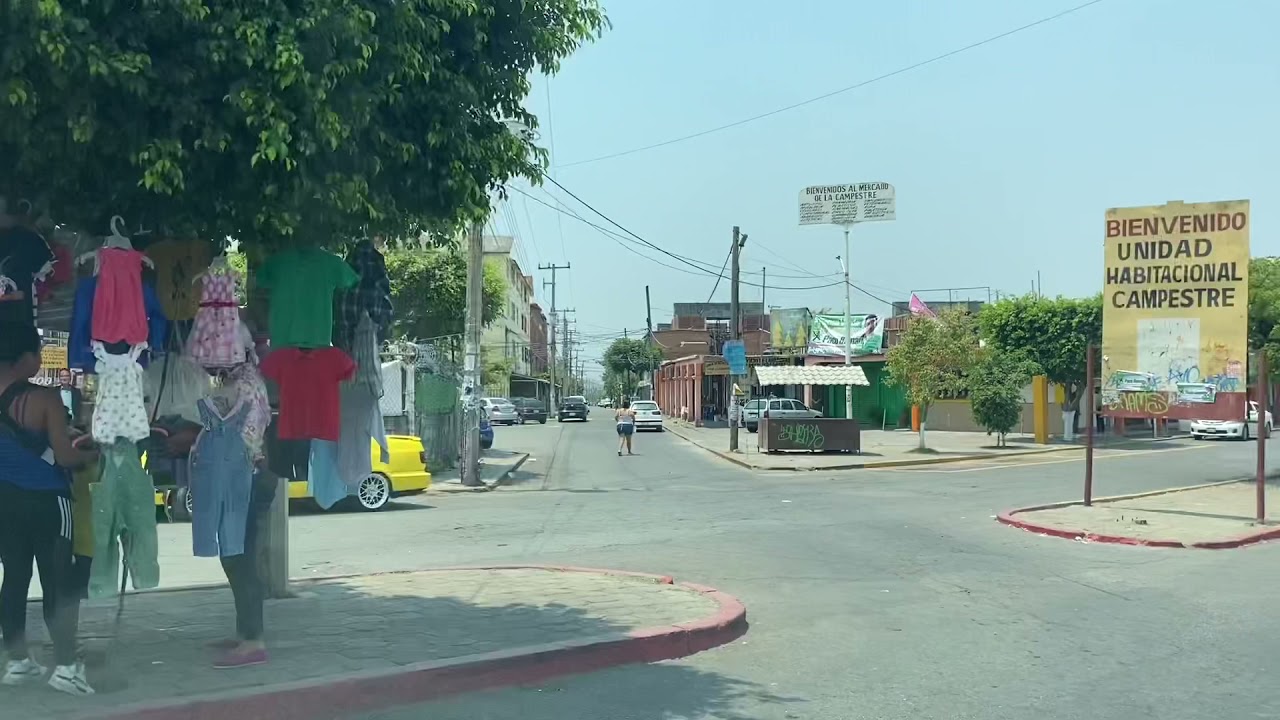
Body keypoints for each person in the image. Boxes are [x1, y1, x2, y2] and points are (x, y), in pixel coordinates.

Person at [0, 321, 98, 695]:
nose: (40, 360)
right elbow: (64, 456)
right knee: (58, 583)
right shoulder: (45, 399)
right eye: (37, 354)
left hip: (5, 501)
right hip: (48, 502)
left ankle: (18, 661)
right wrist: (89, 455)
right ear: (23, 357)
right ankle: (66, 667)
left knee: (14, 578)